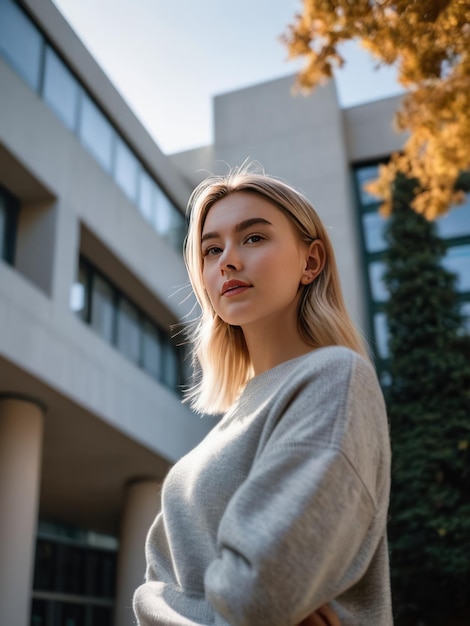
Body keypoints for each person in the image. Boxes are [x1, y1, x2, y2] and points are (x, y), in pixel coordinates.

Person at [133, 163, 393, 625]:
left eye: (253, 238)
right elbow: (151, 592)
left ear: (310, 262)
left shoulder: (335, 376)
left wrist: (171, 605)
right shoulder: (229, 424)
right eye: (211, 250)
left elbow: (260, 595)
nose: (227, 260)